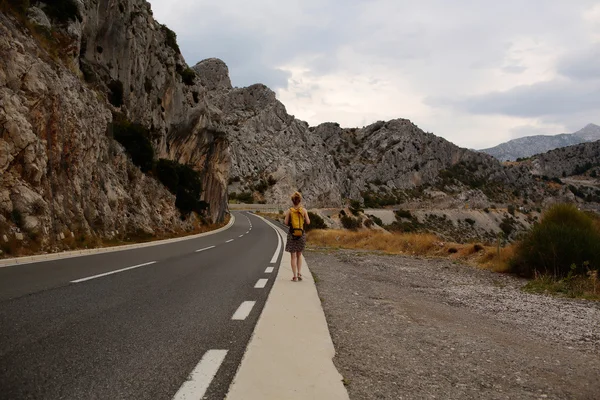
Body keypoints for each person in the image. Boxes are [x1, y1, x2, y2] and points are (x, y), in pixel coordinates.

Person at [284, 192, 310, 282]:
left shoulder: (289, 211)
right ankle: (299, 273)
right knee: (299, 255)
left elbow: (286, 223)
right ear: (300, 200)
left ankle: (294, 277)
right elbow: (308, 222)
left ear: (292, 201)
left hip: (292, 235)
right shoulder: (304, 210)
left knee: (293, 257)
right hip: (301, 235)